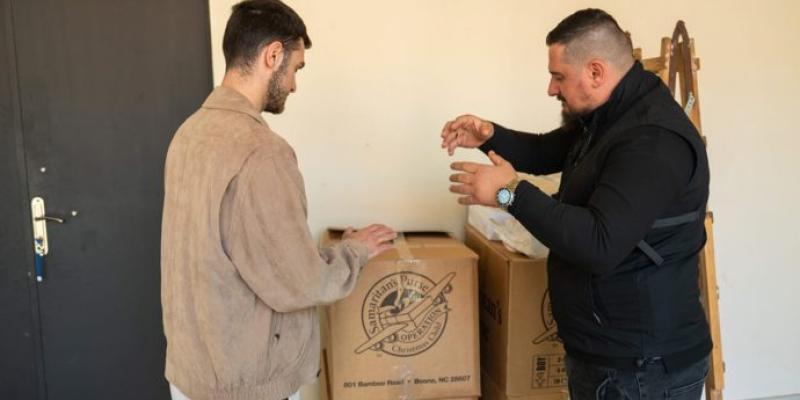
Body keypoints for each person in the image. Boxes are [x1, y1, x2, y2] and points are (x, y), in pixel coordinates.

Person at [442, 9, 711, 399]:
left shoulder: (651, 140)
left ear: (596, 72)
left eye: (558, 76)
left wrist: (508, 193)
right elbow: (544, 150)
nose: (551, 89)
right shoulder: (609, 117)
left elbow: (600, 244)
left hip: (643, 368)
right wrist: (489, 136)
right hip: (610, 356)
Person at [160, 1, 396, 399]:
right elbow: (299, 282)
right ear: (273, 55)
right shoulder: (261, 151)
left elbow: (234, 254)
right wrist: (354, 252)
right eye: (296, 68)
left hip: (191, 374)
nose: (293, 84)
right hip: (245, 384)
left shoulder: (189, 133)